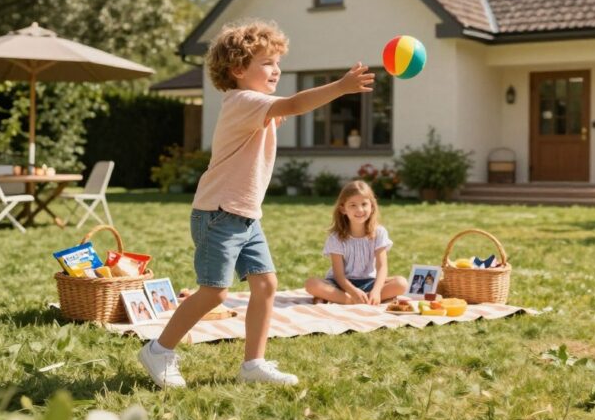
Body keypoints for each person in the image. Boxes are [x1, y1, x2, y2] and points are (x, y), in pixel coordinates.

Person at [138, 20, 374, 389]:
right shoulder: (243, 101)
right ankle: (159, 349)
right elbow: (295, 104)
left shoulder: (256, 106)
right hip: (219, 214)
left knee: (266, 286)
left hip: (245, 216)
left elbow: (281, 111)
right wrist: (341, 87)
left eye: (277, 61)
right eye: (267, 62)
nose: (276, 69)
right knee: (214, 290)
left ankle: (253, 364)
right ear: (237, 69)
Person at [304, 180, 408, 305]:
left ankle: (353, 298)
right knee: (311, 284)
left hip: (369, 282)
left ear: (372, 206)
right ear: (343, 209)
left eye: (364, 204)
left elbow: (382, 267)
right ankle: (352, 301)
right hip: (340, 284)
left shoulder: (379, 232)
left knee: (401, 283)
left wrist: (376, 290)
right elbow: (339, 275)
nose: (359, 210)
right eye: (353, 205)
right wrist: (353, 292)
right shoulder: (335, 237)